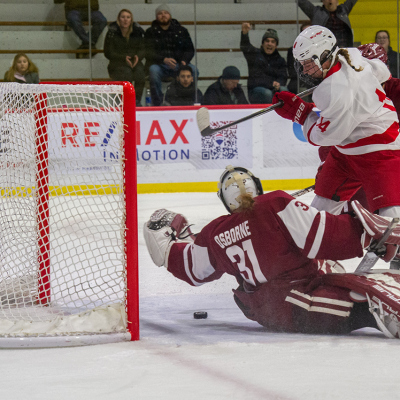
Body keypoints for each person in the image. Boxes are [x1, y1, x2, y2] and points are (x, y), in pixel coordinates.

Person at [143, 165, 400, 338]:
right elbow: (327, 236)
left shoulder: (215, 233)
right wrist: (370, 230)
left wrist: (172, 245)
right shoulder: (275, 205)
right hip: (298, 302)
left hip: (267, 310)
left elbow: (192, 269)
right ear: (256, 186)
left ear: (224, 199)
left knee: (336, 273)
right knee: (367, 302)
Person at [272, 26, 400, 224]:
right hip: (347, 152)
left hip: (380, 149)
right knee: (320, 209)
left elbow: (325, 136)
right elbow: (381, 72)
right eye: (302, 64)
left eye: (308, 63)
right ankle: (317, 242)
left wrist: (302, 114)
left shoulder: (336, 90)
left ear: (324, 55)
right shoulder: (348, 54)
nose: (305, 70)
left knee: (390, 218)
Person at [144, 4, 197, 106]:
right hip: (159, 64)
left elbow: (190, 49)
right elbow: (148, 52)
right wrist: (163, 59)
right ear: (156, 16)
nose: (163, 15)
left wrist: (183, 62)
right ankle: (158, 103)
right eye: (160, 13)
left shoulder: (182, 30)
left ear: (170, 16)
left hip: (180, 64)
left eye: (166, 13)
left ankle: (189, 99)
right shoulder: (150, 32)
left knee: (194, 70)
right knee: (153, 71)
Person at [104, 9, 145, 106]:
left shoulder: (137, 32)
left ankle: (136, 101)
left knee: (140, 74)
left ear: (131, 20)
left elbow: (143, 48)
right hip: (117, 62)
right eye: (123, 17)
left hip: (134, 61)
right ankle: (125, 102)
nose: (125, 20)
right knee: (126, 74)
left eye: (128, 17)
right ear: (118, 19)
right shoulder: (112, 32)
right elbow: (108, 52)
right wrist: (123, 58)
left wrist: (138, 57)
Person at [240, 25, 288, 104]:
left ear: (276, 46)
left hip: (273, 90)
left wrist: (279, 83)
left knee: (284, 91)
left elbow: (283, 76)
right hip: (256, 91)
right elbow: (245, 47)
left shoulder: (280, 60)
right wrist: (244, 34)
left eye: (273, 42)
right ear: (262, 44)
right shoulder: (255, 55)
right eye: (267, 41)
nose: (269, 44)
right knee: (267, 93)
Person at [287, 22, 311, 95]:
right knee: (293, 86)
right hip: (299, 79)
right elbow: (292, 70)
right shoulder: (293, 50)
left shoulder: (321, 48)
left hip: (315, 78)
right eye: (304, 32)